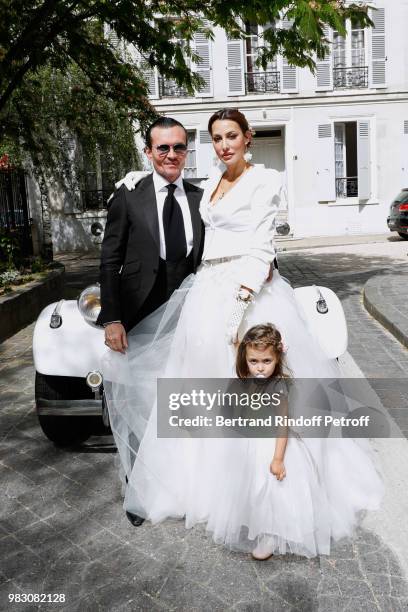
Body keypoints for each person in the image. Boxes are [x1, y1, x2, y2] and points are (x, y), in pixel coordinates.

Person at [102, 108, 383, 557]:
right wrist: (140, 174)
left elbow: (262, 247)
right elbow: (173, 192)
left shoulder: (265, 180)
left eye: (232, 136)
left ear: (248, 137)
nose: (224, 144)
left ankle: (273, 511)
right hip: (204, 296)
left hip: (247, 297)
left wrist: (238, 310)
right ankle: (207, 492)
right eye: (216, 138)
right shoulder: (207, 185)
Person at [97, 116, 204, 525]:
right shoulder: (128, 197)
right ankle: (139, 493)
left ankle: (181, 485)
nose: (173, 154)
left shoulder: (200, 197)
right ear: (148, 152)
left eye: (179, 147)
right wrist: (112, 319)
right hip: (138, 317)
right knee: (137, 403)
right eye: (164, 148)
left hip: (187, 317)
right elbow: (109, 260)